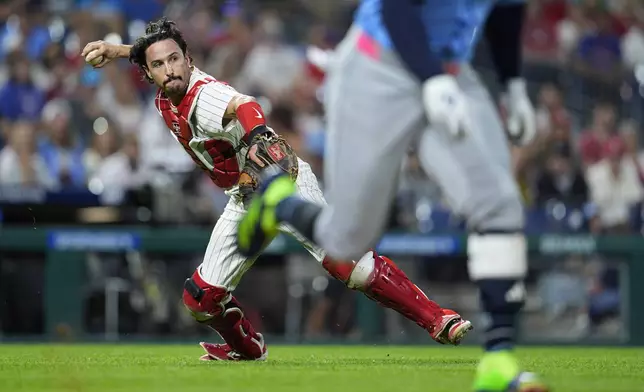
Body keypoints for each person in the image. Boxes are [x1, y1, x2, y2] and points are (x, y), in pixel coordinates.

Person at [81, 17, 472, 362]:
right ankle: (247, 349)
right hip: (244, 195)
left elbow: (246, 104)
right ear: (148, 73)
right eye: (159, 65)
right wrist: (116, 50)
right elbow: (149, 51)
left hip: (278, 181)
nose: (169, 69)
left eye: (175, 59)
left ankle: (438, 318)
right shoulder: (167, 91)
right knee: (200, 300)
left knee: (348, 266)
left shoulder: (201, 96)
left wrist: (254, 142)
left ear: (190, 59)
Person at [237, 1, 549, 391]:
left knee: (500, 203)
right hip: (377, 68)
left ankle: (499, 362)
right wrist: (431, 78)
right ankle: (278, 203)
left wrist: (513, 83)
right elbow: (397, 7)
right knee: (347, 239)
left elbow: (506, 8)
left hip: (450, 71)